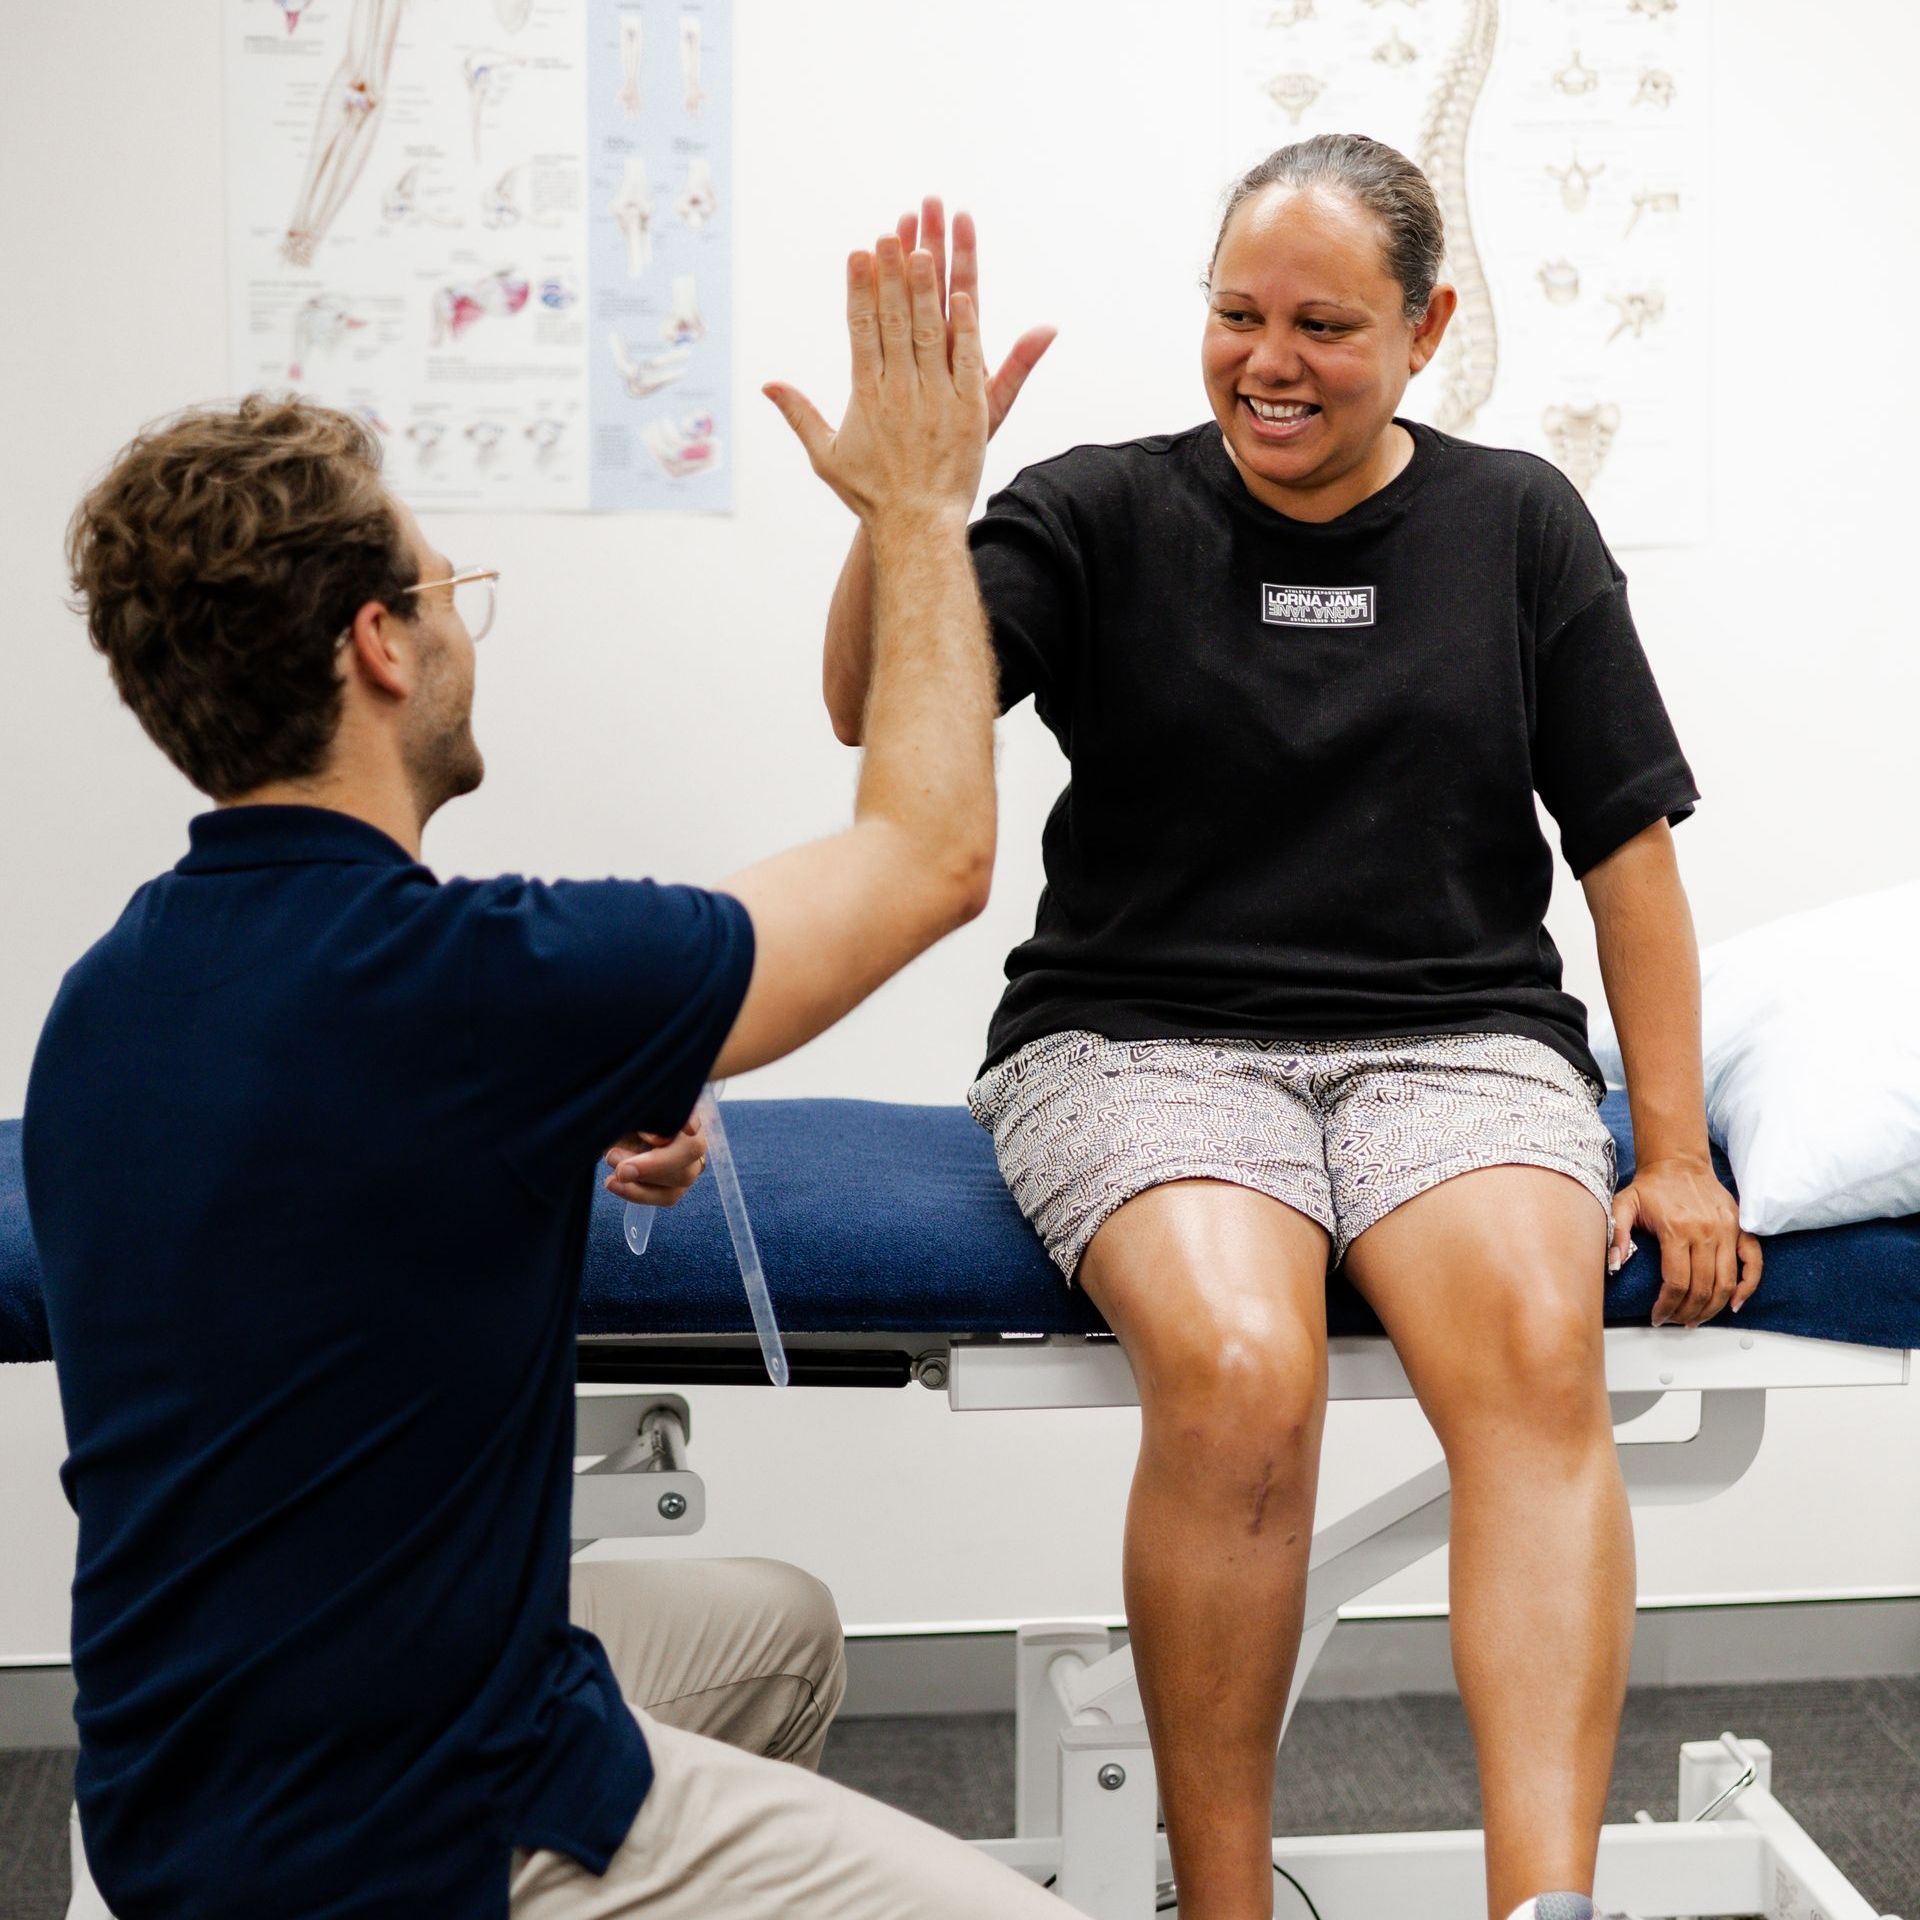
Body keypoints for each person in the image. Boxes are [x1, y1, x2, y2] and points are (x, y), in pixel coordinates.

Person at [28, 223, 1067, 1917]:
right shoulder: (480, 985)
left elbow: (330, 1178)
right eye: (449, 594)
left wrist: (573, 1114)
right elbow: (931, 852)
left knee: (775, 1631)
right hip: (422, 1830)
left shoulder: (113, 1001)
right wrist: (923, 507)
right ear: (379, 646)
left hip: (175, 1791)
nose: (461, 630)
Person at [821, 145, 1764, 1920]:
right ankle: (1228, 1903)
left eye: (1326, 324)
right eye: (1238, 315)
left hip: (1455, 1038)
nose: (1272, 358)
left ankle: (1542, 1904)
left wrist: (1671, 1145)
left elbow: (1627, 852)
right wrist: (908, 518)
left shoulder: (1518, 524)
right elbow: (878, 699)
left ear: (1427, 330)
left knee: (1535, 1347)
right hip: (1137, 1041)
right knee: (1244, 1374)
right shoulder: (1097, 512)